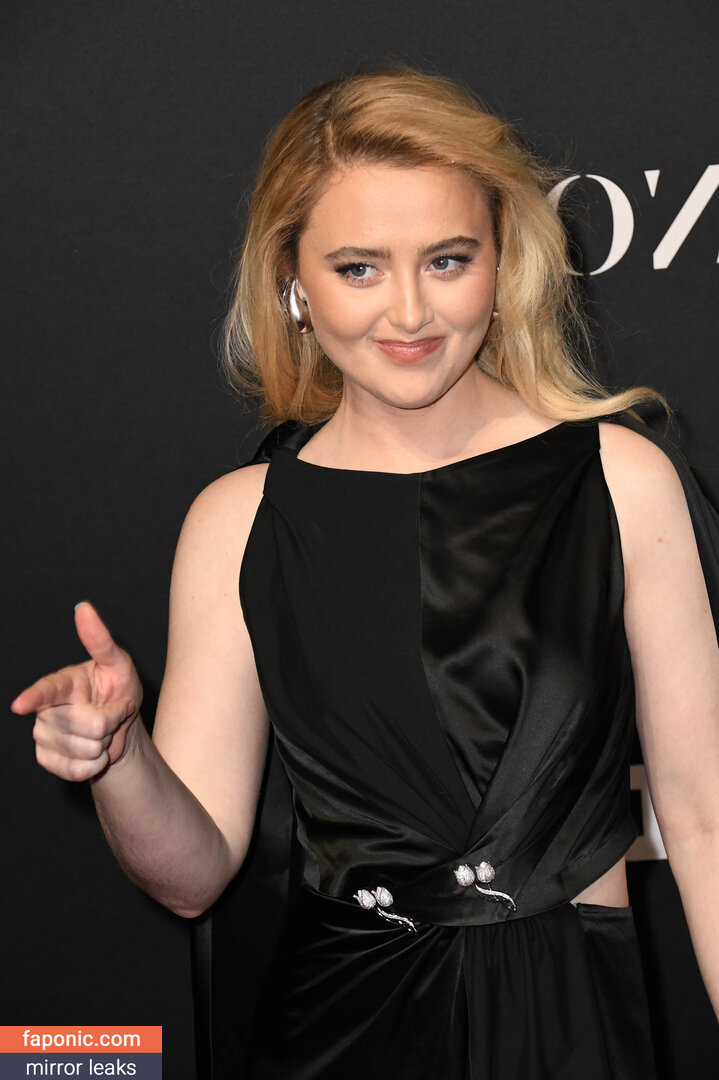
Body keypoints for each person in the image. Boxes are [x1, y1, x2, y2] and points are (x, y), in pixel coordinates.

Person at [11, 68, 719, 1078]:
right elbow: (192, 876)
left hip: (570, 1022)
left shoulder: (620, 480)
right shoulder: (238, 522)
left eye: (447, 259)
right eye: (358, 268)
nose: (409, 311)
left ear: (502, 259)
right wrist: (121, 760)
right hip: (333, 1026)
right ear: (293, 283)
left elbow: (704, 819)